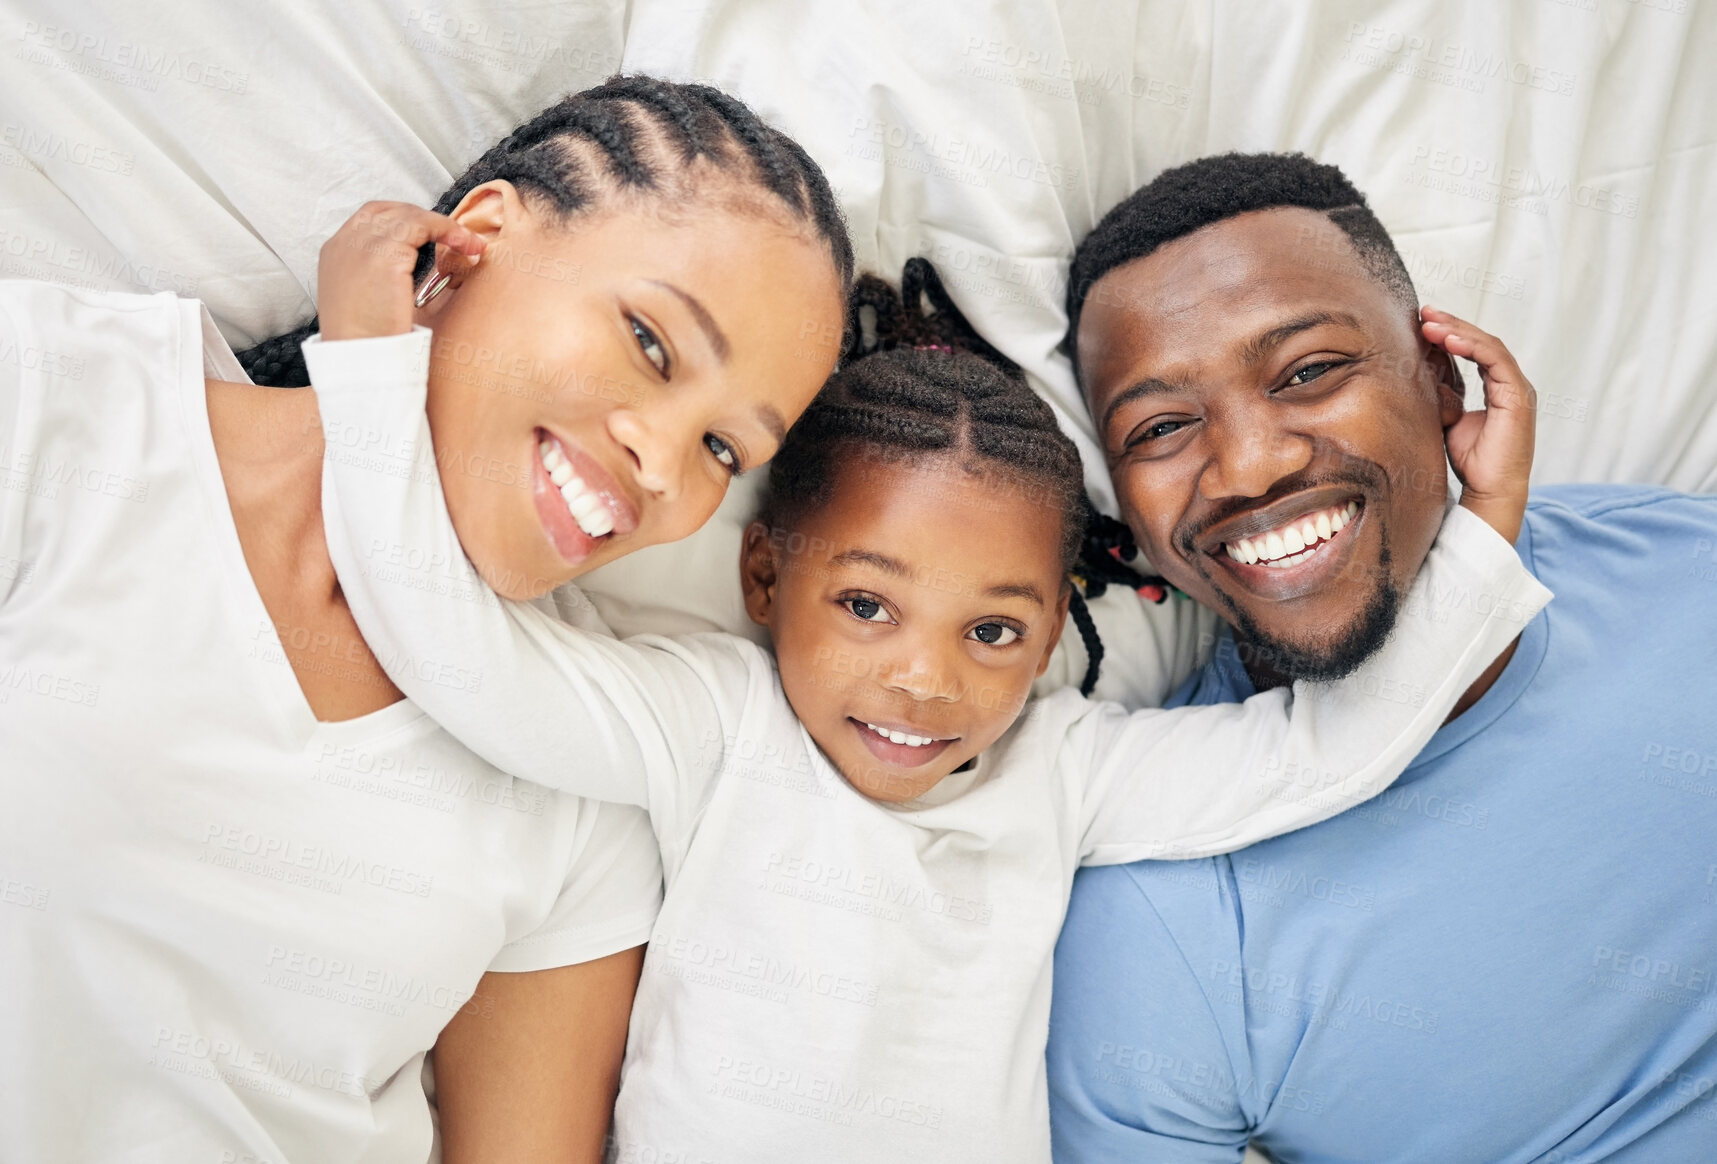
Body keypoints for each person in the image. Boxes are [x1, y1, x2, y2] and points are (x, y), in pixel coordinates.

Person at [304, 238, 1544, 1161]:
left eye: (994, 630)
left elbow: (1322, 753)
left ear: (1054, 629)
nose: (925, 679)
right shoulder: (716, 727)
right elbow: (461, 660)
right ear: (763, 577)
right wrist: (368, 371)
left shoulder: (1062, 767)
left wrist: (1485, 526)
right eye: (863, 606)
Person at [0, 76, 854, 1163]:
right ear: (474, 241)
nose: (663, 466)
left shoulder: (579, 783)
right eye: (649, 341)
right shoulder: (64, 403)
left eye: (725, 452)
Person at [1046, 152, 1717, 1162]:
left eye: (1308, 373)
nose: (1252, 465)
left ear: (1440, 380)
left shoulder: (1687, 568)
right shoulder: (1158, 922)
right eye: (1162, 427)